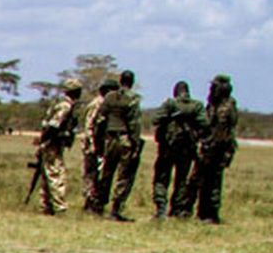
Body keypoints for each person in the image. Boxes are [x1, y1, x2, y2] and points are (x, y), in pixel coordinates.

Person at [150, 81, 204, 220]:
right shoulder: (197, 106)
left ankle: (161, 209)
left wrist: (170, 118)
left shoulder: (170, 104)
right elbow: (205, 124)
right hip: (187, 149)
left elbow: (155, 119)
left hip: (167, 148)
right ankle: (177, 210)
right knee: (181, 180)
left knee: (161, 179)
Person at [94, 70, 143, 222]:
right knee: (125, 175)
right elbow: (134, 123)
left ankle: (99, 205)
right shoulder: (133, 98)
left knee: (107, 173)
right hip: (124, 138)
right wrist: (135, 144)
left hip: (110, 138)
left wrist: (99, 140)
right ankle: (116, 208)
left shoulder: (109, 97)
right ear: (132, 82)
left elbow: (100, 120)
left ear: (120, 80)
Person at [34, 79, 82, 215]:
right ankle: (59, 207)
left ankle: (46, 206)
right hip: (52, 144)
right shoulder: (65, 106)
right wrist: (44, 141)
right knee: (56, 175)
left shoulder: (63, 104)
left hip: (52, 144)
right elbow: (53, 127)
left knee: (47, 175)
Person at [195, 74, 239, 224]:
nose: (211, 89)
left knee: (213, 180)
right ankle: (202, 211)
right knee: (203, 180)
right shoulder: (213, 104)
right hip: (208, 146)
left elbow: (222, 131)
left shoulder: (227, 107)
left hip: (219, 148)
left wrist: (211, 144)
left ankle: (212, 214)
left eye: (214, 87)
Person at [79, 79, 116, 216]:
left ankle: (94, 202)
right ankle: (90, 202)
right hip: (93, 145)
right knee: (92, 174)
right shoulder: (97, 104)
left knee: (97, 174)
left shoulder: (105, 104)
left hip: (99, 144)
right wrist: (92, 145)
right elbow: (89, 126)